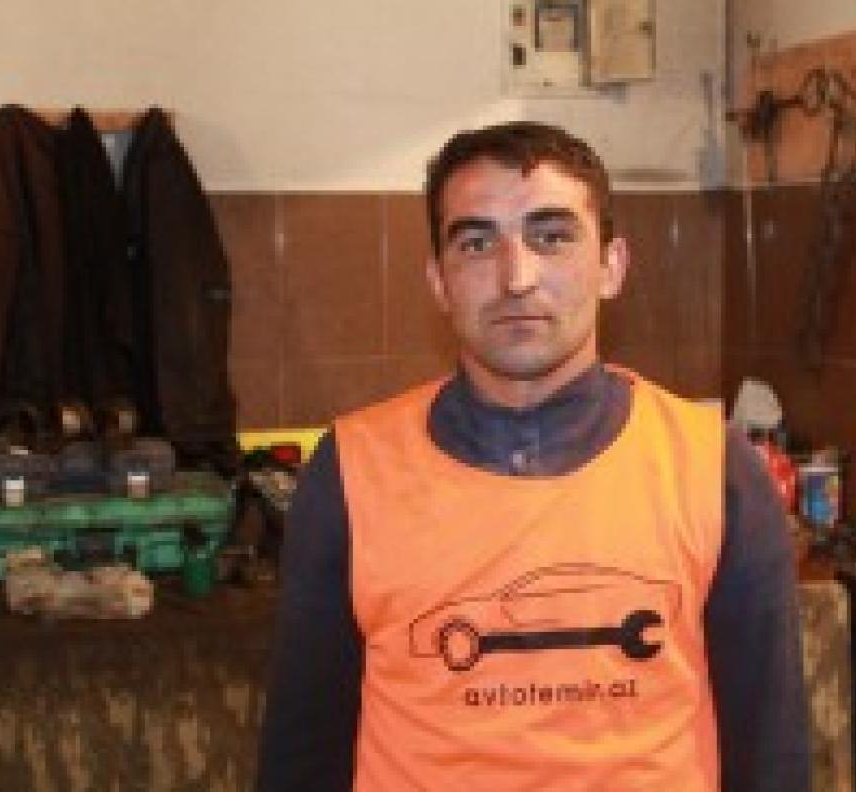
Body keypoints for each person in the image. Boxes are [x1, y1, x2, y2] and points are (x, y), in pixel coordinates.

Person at [257, 121, 810, 791]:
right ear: (438, 281)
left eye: (551, 237)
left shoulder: (716, 470)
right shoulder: (351, 472)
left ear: (611, 266)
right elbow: (303, 753)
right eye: (476, 242)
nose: (515, 277)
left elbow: (771, 754)